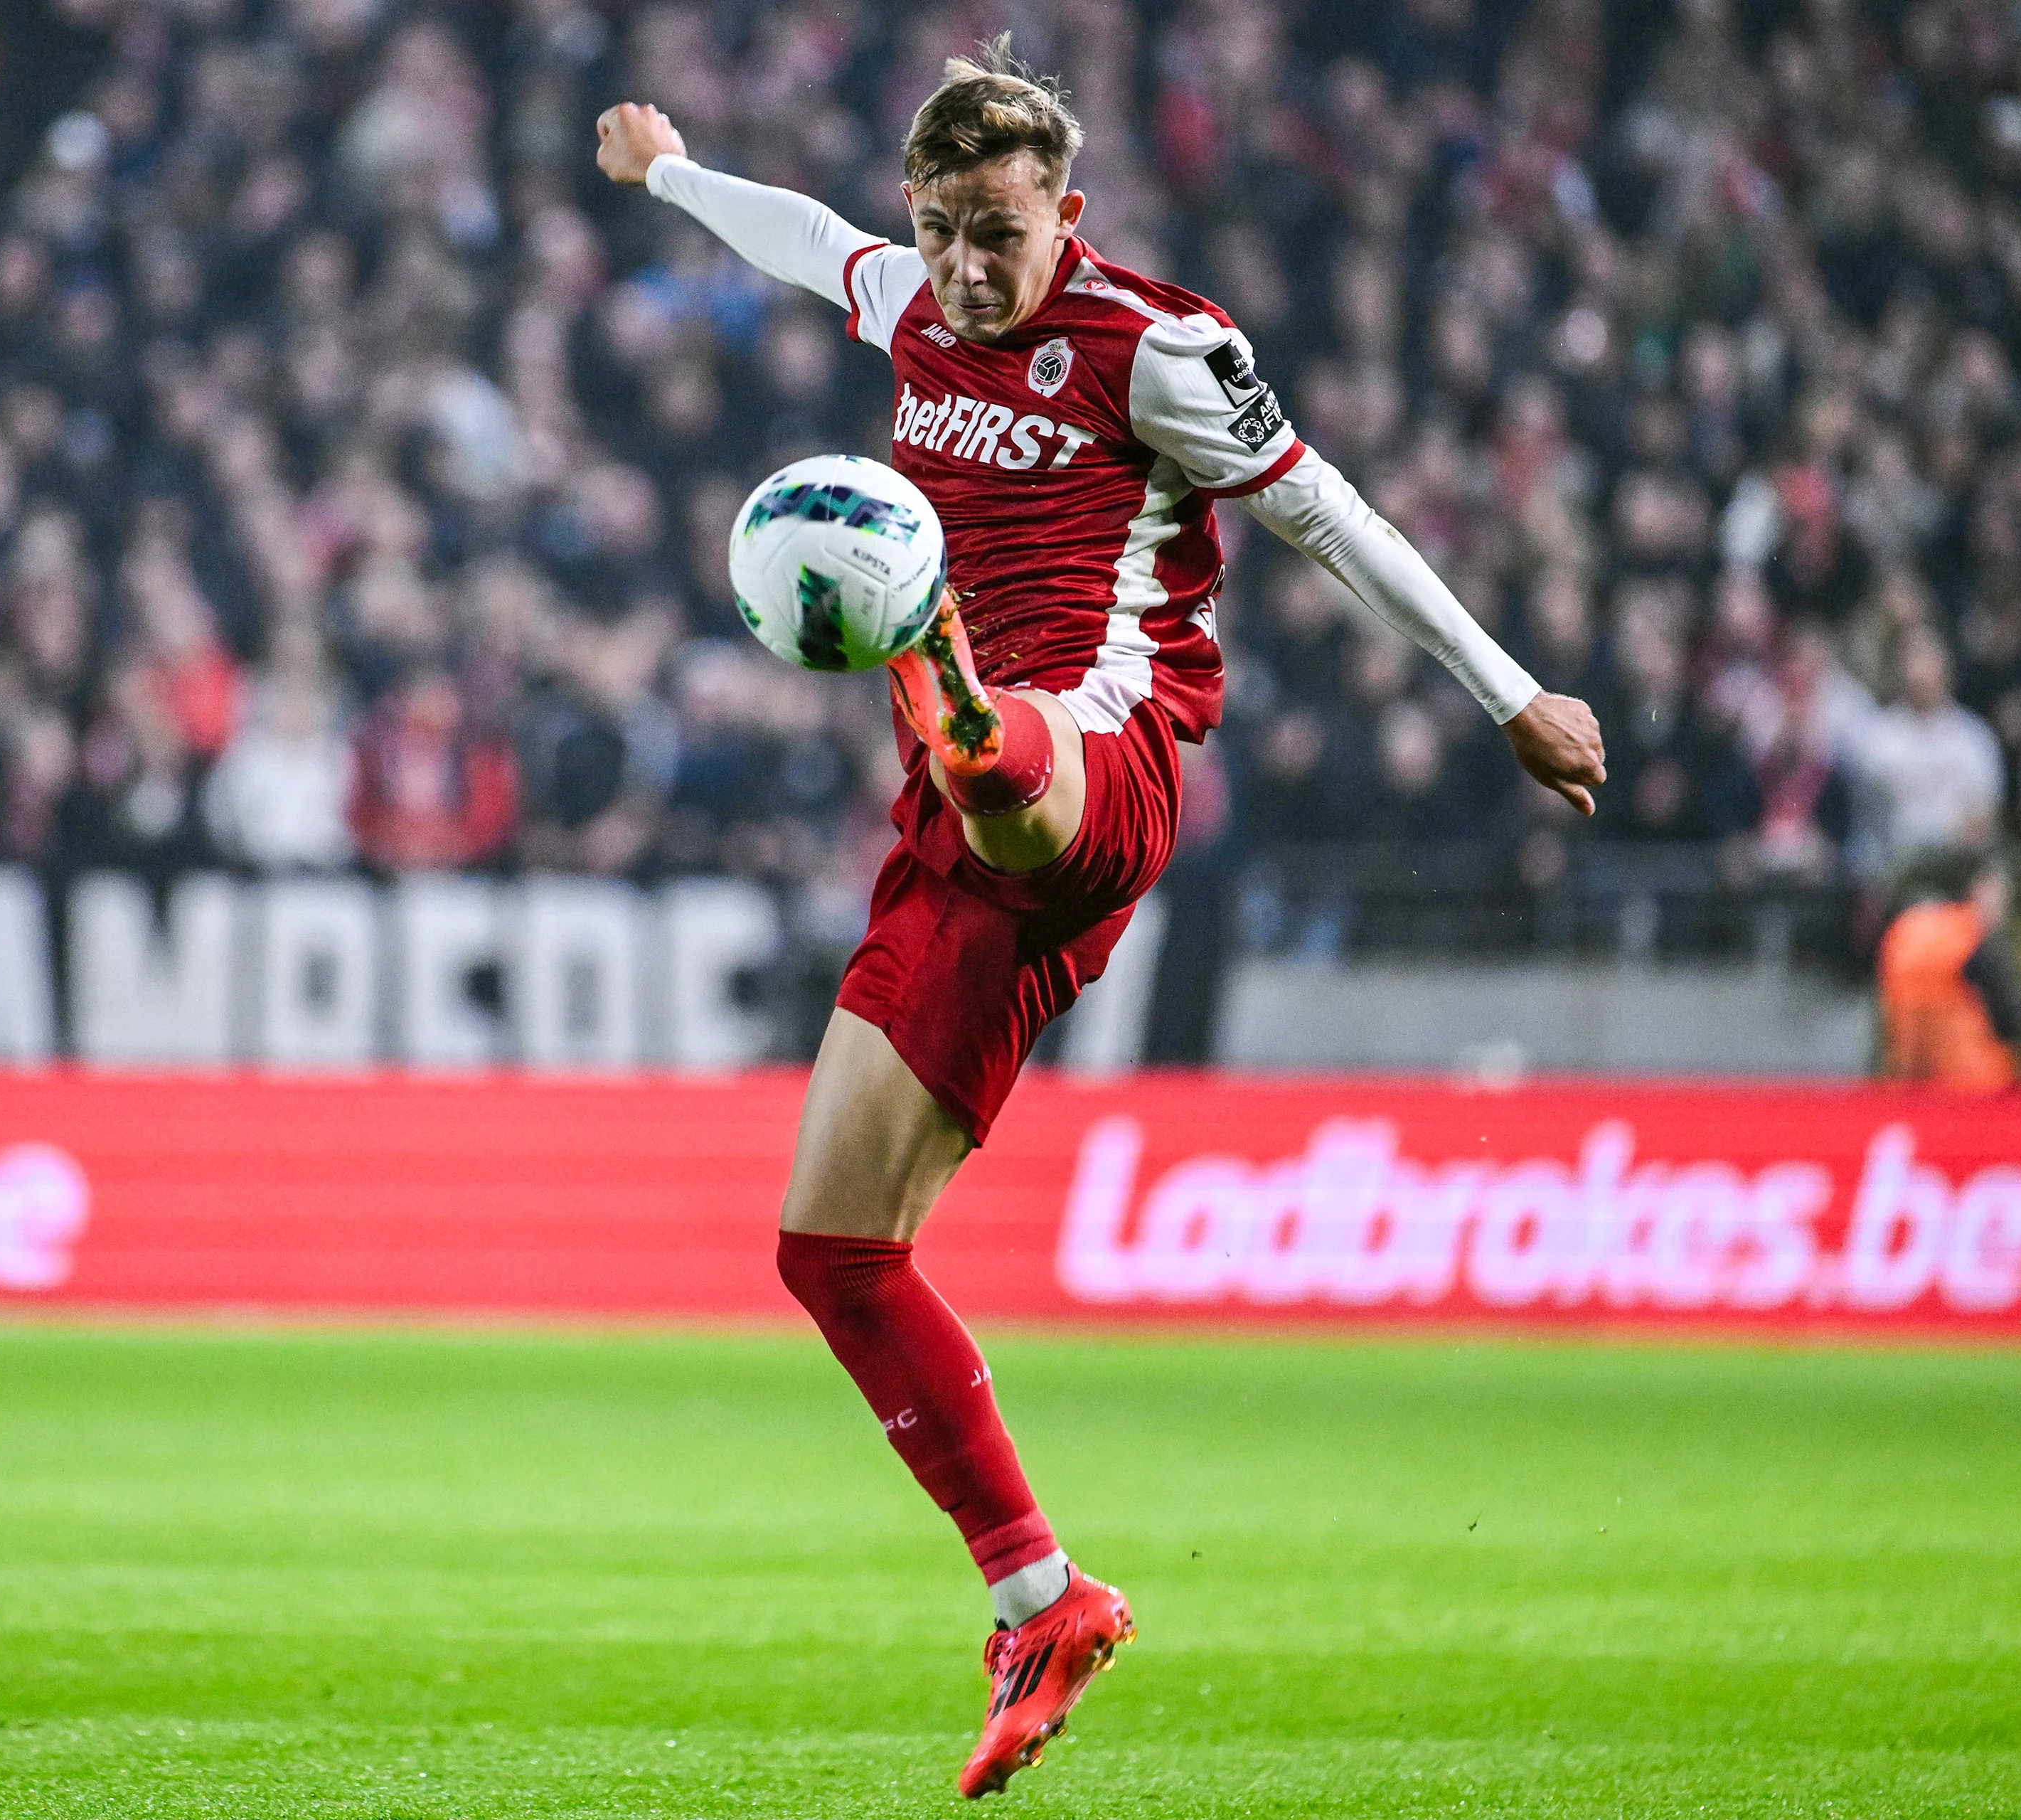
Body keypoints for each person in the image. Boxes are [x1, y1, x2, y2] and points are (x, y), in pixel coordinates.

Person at [597, 42, 1606, 1797]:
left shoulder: (1155, 350)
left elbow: (1333, 523)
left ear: (1065, 212)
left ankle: (950, 682)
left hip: (1103, 752)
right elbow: (798, 238)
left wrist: (1506, 692)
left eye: (999, 232)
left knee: (999, 753)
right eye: (943, 232)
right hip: (959, 833)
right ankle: (1040, 1598)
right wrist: (671, 173)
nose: (969, 269)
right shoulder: (909, 298)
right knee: (829, 1247)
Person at [1878, 851, 2021, 1092]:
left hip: (1913, 1080)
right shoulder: (1969, 937)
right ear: (1978, 889)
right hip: (1976, 1081)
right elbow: (2011, 1019)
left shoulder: (1904, 932)